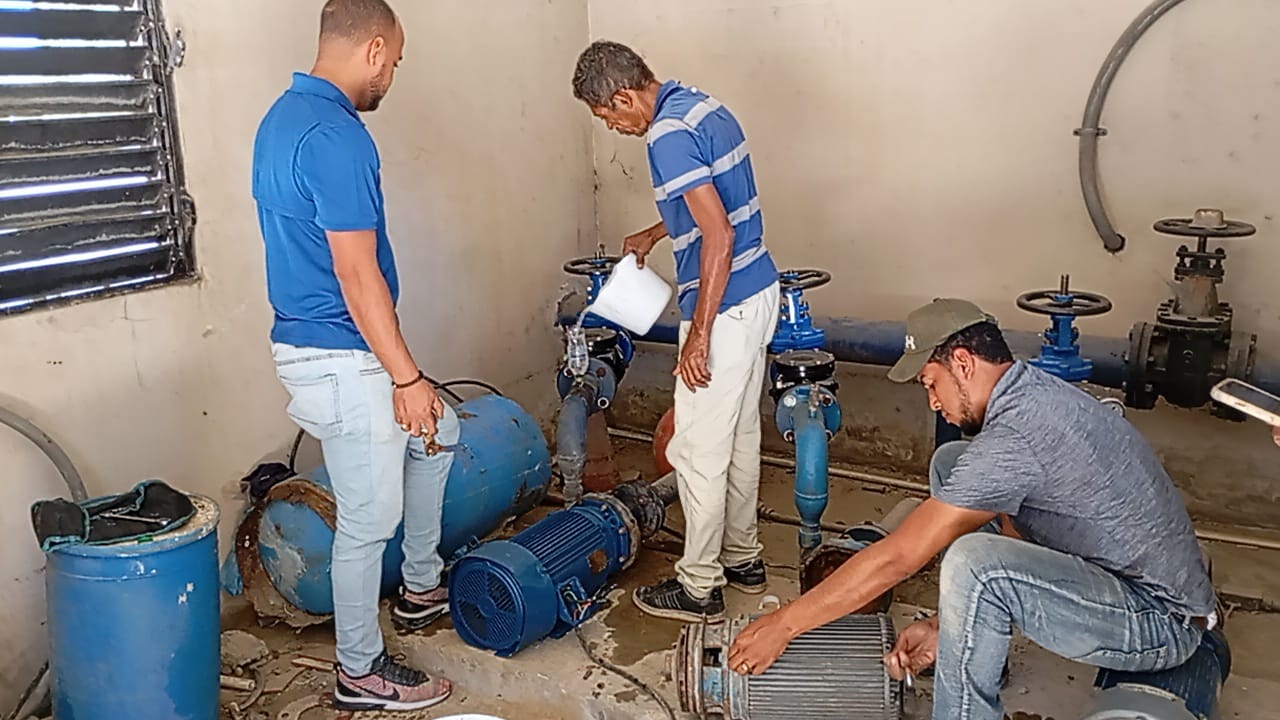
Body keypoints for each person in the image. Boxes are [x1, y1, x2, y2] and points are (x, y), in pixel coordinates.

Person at [726, 298, 1218, 720]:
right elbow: (1019, 530)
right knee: (953, 464)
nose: (933, 401)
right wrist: (946, 626)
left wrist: (784, 624)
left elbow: (900, 556)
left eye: (930, 383)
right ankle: (978, 640)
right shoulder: (1032, 393)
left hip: (1161, 624)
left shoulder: (1016, 436)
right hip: (1135, 586)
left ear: (962, 363)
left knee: (974, 565)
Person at [251, 0, 455, 712]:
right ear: (373, 49)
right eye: (394, 62)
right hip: (341, 353)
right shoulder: (336, 135)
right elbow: (356, 272)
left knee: (443, 433)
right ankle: (360, 670)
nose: (392, 76)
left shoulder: (280, 120)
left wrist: (409, 380)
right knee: (367, 521)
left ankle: (423, 588)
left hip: (325, 345)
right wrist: (406, 375)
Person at [571, 41, 781, 622]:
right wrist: (654, 233)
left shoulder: (665, 136)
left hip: (726, 305)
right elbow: (715, 200)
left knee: (696, 451)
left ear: (622, 96)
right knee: (736, 439)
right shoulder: (702, 108)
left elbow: (719, 234)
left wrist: (699, 335)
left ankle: (698, 587)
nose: (613, 127)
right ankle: (743, 558)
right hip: (761, 290)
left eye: (608, 116)